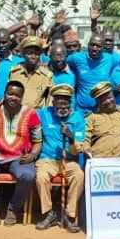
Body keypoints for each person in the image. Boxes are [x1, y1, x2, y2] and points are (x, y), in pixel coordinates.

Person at [0, 81, 42, 225]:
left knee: (28, 175)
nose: (13, 97)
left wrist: (33, 154)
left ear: (22, 97)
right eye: (10, 93)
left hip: (18, 156)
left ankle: (13, 209)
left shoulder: (31, 114)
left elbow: (37, 141)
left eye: (17, 95)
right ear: (4, 94)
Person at [34, 85, 86, 231]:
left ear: (70, 103)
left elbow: (78, 150)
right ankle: (48, 214)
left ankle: (69, 216)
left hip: (69, 160)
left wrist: (71, 138)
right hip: (47, 159)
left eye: (66, 102)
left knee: (79, 175)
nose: (62, 106)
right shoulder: (43, 114)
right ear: (53, 102)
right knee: (41, 177)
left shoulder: (78, 118)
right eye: (59, 102)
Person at [83, 82, 120, 158]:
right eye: (102, 100)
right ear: (97, 102)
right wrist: (87, 150)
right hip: (102, 163)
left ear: (113, 95)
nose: (108, 102)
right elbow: (85, 139)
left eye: (109, 97)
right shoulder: (91, 118)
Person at [67, 32, 118, 114]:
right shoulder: (76, 58)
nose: (95, 48)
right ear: (88, 45)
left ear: (103, 48)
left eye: (98, 46)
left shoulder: (110, 59)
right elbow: (60, 61)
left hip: (101, 110)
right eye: (92, 44)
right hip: (81, 110)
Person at [8, 36, 54, 109]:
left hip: (36, 117)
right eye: (29, 53)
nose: (33, 56)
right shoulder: (14, 72)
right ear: (23, 54)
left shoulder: (47, 76)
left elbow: (50, 103)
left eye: (36, 54)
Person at [0, 28, 23, 102]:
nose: (1, 45)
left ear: (10, 42)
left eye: (4, 42)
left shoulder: (20, 62)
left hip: (13, 105)